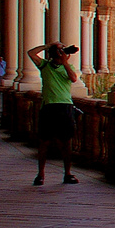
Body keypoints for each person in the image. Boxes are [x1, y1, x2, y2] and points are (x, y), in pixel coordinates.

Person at [28, 42, 79, 186]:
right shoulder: (45, 65)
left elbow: (73, 78)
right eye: (59, 50)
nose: (62, 52)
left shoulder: (68, 67)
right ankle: (40, 174)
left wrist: (65, 63)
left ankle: (67, 174)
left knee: (66, 143)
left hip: (65, 106)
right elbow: (31, 53)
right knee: (44, 142)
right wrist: (48, 45)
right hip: (49, 106)